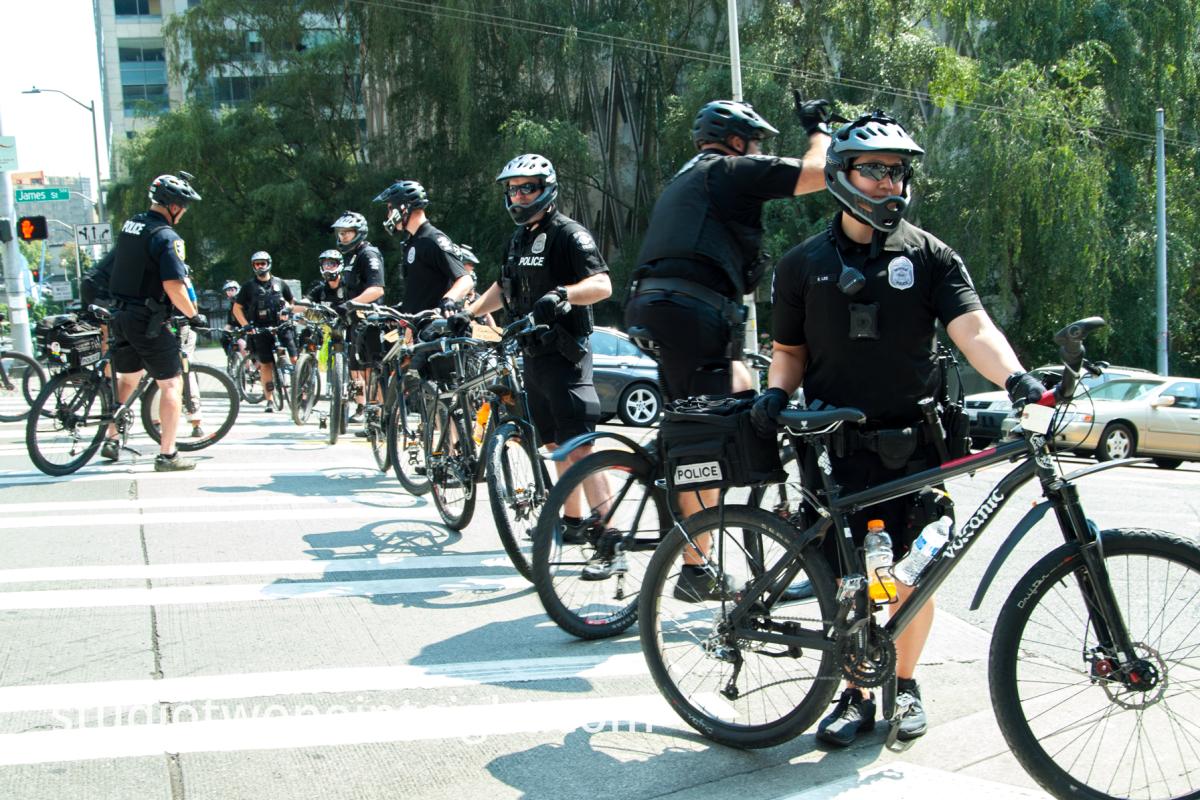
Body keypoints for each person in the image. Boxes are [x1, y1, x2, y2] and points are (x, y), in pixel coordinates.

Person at [753, 110, 1044, 747]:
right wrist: (776, 394)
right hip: (835, 448)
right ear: (843, 174)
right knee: (851, 579)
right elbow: (790, 351)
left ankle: (904, 685)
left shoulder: (931, 255)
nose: (891, 183)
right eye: (876, 170)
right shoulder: (802, 265)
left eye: (899, 171)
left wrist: (1016, 379)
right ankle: (854, 696)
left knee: (918, 573)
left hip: (917, 443)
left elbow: (973, 329)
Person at [623, 95, 834, 598]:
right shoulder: (732, 169)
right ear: (737, 139)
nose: (758, 148)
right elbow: (818, 173)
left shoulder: (685, 177)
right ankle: (697, 569)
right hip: (694, 312)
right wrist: (819, 127)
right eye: (755, 140)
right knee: (708, 441)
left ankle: (674, 471)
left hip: (654, 307)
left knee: (733, 395)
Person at [464, 154, 614, 574]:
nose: (518, 195)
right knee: (554, 444)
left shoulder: (568, 234)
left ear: (546, 189)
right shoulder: (517, 239)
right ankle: (572, 523)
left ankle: (609, 541)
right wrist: (472, 311)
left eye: (526, 187)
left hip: (565, 354)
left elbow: (602, 284)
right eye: (512, 189)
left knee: (580, 449)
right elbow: (503, 285)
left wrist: (565, 294)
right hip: (532, 356)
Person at [105, 171, 206, 471]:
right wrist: (194, 315)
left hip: (120, 315)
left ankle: (112, 437)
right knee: (171, 384)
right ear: (173, 206)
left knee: (129, 378)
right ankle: (168, 454)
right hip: (147, 320)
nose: (184, 212)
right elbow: (173, 285)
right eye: (184, 206)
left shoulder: (131, 225)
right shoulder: (167, 237)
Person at [373, 180, 473, 316]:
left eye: (390, 208)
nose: (388, 215)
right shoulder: (411, 242)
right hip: (415, 331)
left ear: (404, 207)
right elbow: (423, 291)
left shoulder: (433, 239)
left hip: (436, 332)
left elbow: (465, 280)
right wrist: (401, 309)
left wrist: (449, 300)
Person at [329, 211, 386, 421]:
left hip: (369, 321)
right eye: (340, 233)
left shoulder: (368, 254)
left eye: (346, 233)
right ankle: (363, 409)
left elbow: (377, 290)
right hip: (354, 321)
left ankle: (380, 413)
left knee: (372, 370)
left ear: (358, 233)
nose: (342, 237)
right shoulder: (351, 256)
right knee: (356, 369)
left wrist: (351, 304)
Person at [231, 251, 296, 412]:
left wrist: (289, 311)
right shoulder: (248, 286)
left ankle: (302, 391)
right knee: (265, 364)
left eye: (263, 263)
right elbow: (237, 308)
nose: (260, 266)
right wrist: (246, 325)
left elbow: (292, 302)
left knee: (295, 358)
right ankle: (270, 400)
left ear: (269, 263)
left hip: (282, 326)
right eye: (256, 264)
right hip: (260, 329)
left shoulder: (280, 283)